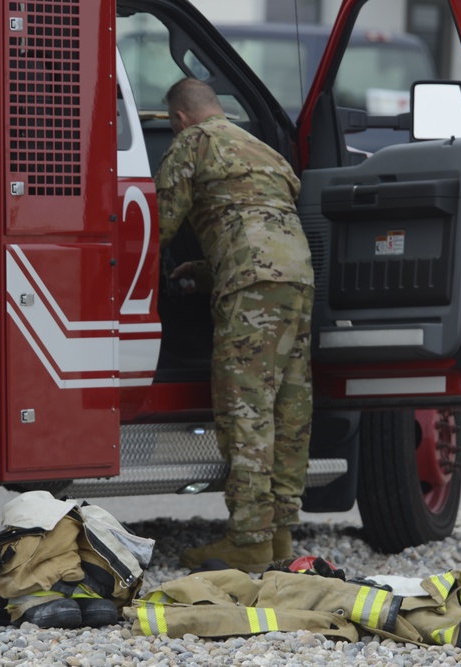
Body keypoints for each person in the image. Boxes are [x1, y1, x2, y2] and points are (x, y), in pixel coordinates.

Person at [155, 77, 315, 573]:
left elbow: (158, 225)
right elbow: (258, 220)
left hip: (250, 287)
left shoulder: (191, 143)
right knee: (290, 407)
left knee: (245, 410)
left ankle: (247, 538)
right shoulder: (265, 151)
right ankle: (281, 535)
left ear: (180, 118)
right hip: (299, 279)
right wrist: (203, 272)